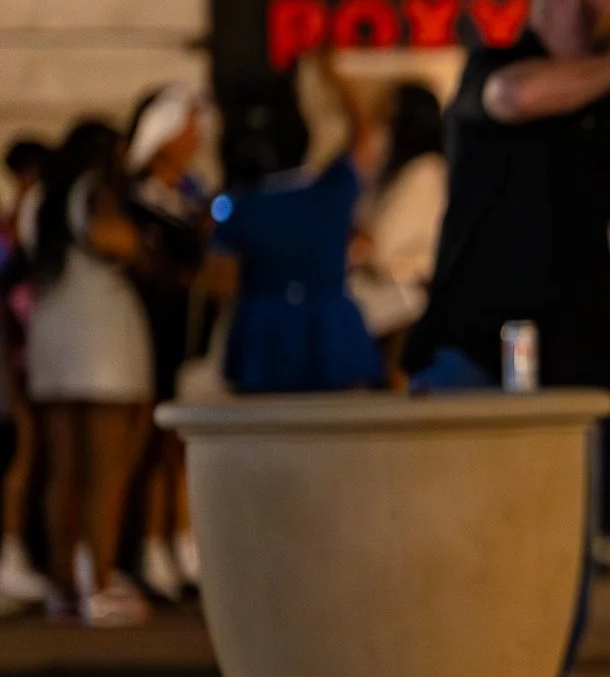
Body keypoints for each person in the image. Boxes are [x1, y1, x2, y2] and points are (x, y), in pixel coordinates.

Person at [406, 0, 610, 677]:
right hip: (472, 352)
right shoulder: (495, 71)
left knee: (555, 558)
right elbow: (515, 99)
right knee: (462, 546)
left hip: (576, 367)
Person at [19, 121, 154, 623]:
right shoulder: (95, 191)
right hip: (102, 341)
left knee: (61, 469)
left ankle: (62, 583)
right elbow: (115, 240)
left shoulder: (39, 199)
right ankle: (98, 581)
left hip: (51, 334)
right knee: (106, 470)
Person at [212, 50, 384, 396]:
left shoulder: (239, 207)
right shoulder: (332, 192)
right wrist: (333, 75)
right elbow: (364, 134)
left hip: (263, 335)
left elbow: (221, 282)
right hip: (331, 332)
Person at [121, 83, 211, 599]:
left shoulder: (192, 192)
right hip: (151, 332)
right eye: (189, 124)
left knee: (180, 445)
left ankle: (181, 539)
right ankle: (151, 544)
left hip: (188, 332)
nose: (196, 135)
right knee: (153, 442)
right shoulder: (138, 196)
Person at [349, 83, 448, 355]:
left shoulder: (425, 172)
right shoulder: (388, 175)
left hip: (400, 303)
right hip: (381, 293)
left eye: (386, 118)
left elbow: (380, 249)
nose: (381, 129)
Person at [0, 137, 50, 606]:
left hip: (28, 349)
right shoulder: (16, 224)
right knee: (22, 451)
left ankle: (18, 554)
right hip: (19, 351)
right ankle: (11, 555)